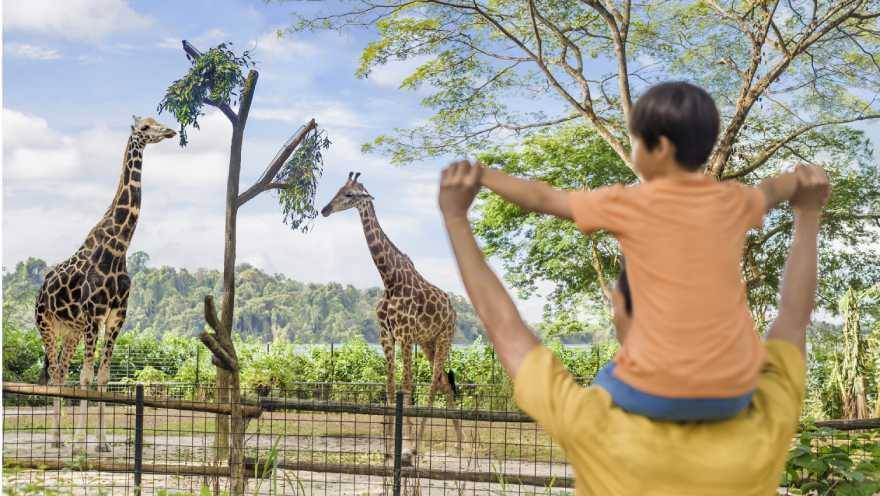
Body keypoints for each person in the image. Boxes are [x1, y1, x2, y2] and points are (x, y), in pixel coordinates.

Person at [438, 160, 829, 495]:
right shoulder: (763, 417)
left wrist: (456, 218)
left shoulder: (595, 425)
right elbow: (793, 320)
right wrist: (808, 215)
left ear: (620, 309)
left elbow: (504, 327)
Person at [475, 81, 806, 421]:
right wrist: (801, 178)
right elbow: (772, 190)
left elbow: (543, 198)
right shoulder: (734, 200)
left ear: (659, 148)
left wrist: (483, 175)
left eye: (635, 142)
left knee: (600, 388)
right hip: (734, 391)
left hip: (657, 391)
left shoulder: (630, 203)